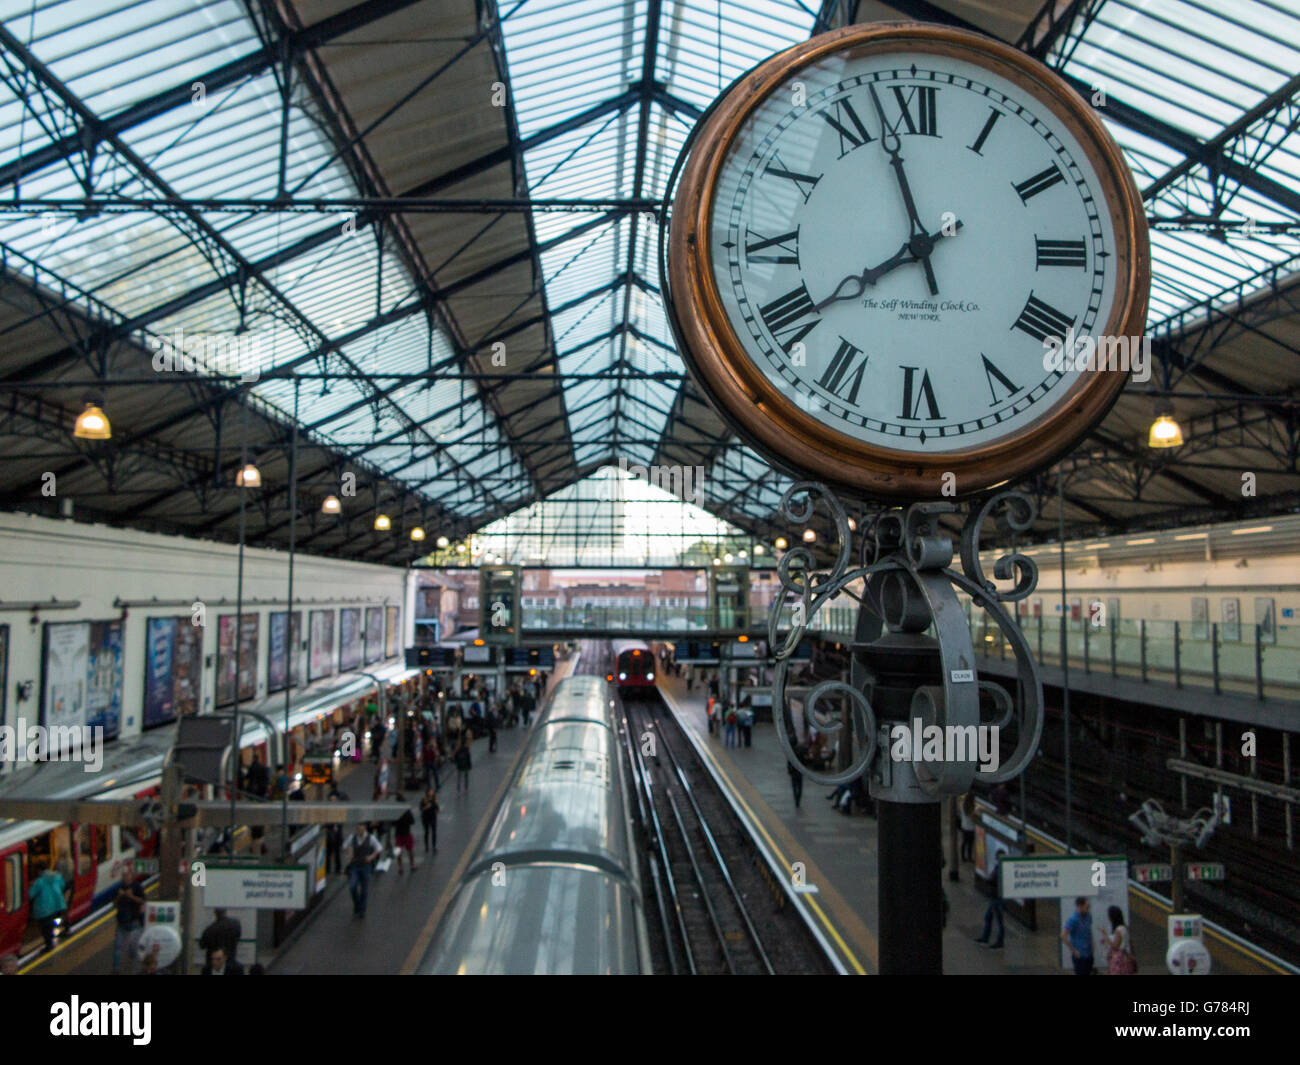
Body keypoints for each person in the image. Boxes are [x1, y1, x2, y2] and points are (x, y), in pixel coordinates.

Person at [111, 868, 146, 975]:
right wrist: (120, 896)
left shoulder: (137, 887)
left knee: (134, 948)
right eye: (123, 875)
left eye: (127, 875)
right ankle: (116, 970)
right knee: (118, 947)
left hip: (134, 921)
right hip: (121, 922)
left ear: (131, 876)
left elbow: (142, 900)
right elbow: (114, 904)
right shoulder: (118, 888)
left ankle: (135, 970)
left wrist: (131, 896)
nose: (125, 877)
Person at [27, 860, 67, 953]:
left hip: (42, 909)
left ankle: (49, 945)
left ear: (39, 870)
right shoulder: (56, 876)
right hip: (54, 905)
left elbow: (30, 895)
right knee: (53, 923)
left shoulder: (39, 882)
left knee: (45, 928)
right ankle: (58, 932)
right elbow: (62, 885)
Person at [345, 822, 383, 917]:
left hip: (365, 866)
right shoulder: (353, 837)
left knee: (364, 889)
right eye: (358, 829)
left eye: (361, 829)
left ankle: (362, 910)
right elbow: (345, 845)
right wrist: (349, 854)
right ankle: (357, 904)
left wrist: (371, 856)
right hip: (355, 865)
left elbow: (379, 848)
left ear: (365, 829)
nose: (360, 831)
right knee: (352, 886)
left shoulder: (371, 838)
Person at [975, 854, 1005, 949]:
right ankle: (986, 937)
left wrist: (987, 879)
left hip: (997, 897)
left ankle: (998, 941)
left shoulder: (1000, 868)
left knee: (997, 919)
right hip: (995, 897)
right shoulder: (998, 867)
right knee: (989, 917)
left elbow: (993, 879)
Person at [1061, 896, 1095, 975]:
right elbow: (1063, 935)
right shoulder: (1073, 919)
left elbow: (1089, 931)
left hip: (1089, 952)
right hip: (1080, 953)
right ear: (1080, 906)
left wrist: (1092, 943)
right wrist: (1074, 950)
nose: (1088, 909)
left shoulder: (1088, 916)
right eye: (1087, 907)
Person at [1101, 905, 1137, 974]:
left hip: (1119, 959)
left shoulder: (1118, 930)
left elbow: (1115, 946)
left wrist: (1106, 936)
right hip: (1126, 957)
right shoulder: (1125, 928)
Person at [393, 806, 417, 874]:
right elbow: (412, 821)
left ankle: (400, 867)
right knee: (410, 849)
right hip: (407, 832)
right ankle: (412, 865)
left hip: (398, 833)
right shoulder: (407, 811)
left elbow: (393, 823)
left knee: (398, 850)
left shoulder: (395, 811)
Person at [420, 787, 440, 854]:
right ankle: (426, 846)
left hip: (433, 817)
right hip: (425, 817)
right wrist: (426, 807)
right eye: (430, 791)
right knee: (426, 832)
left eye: (432, 792)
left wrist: (437, 810)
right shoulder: (423, 800)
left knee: (434, 832)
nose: (431, 793)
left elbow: (437, 808)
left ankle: (434, 847)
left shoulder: (434, 800)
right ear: (427, 792)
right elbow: (421, 808)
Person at [959, 794, 976, 862]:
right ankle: (969, 857)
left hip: (964, 826)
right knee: (970, 844)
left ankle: (963, 857)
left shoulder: (962, 804)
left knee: (964, 842)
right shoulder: (972, 808)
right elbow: (973, 818)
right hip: (971, 828)